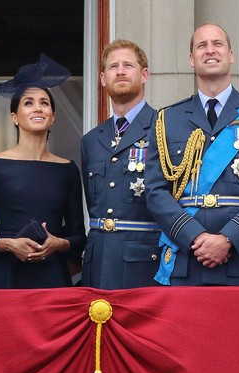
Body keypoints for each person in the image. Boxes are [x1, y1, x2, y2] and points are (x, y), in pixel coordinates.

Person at [145, 23, 239, 286]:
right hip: (186, 260)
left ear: (231, 55)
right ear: (191, 59)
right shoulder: (167, 119)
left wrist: (228, 239)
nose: (210, 50)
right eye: (202, 45)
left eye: (217, 44)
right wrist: (194, 237)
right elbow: (155, 191)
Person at [0, 53, 86, 289]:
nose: (37, 108)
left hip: (51, 277)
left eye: (44, 103)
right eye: (28, 102)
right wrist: (8, 244)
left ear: (53, 117)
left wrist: (58, 244)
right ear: (15, 117)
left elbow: (79, 238)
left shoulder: (67, 169)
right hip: (3, 276)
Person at [80, 39, 161, 289]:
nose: (121, 71)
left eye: (128, 65)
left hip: (145, 263)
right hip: (98, 261)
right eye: (114, 67)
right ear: (103, 79)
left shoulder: (164, 128)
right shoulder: (91, 140)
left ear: (144, 74)